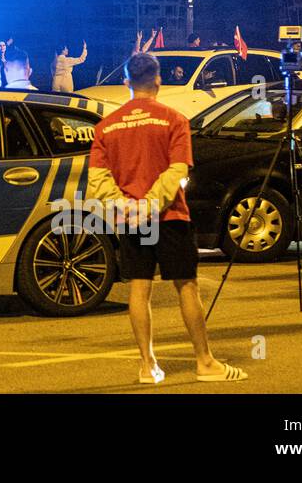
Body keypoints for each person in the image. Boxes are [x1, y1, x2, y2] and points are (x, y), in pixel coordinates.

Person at [87, 51, 246, 384]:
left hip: (130, 220)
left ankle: (147, 366)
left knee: (138, 289)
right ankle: (204, 362)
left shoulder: (106, 127)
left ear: (126, 81)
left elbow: (98, 181)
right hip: (170, 216)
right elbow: (177, 171)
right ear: (158, 80)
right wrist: (151, 203)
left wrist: (128, 205)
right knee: (186, 286)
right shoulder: (174, 120)